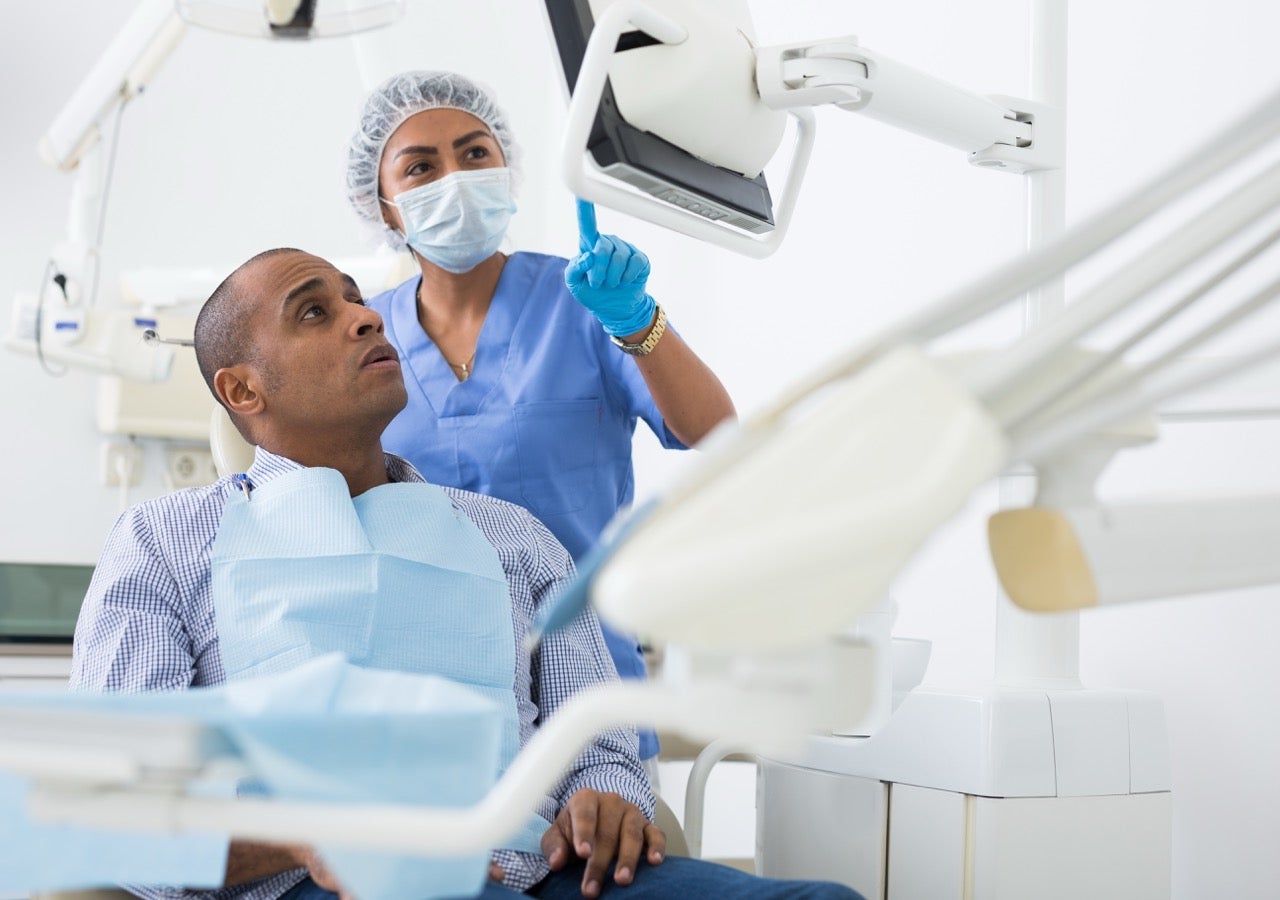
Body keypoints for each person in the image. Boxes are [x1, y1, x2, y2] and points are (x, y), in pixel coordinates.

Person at [69, 248, 861, 900]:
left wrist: (607, 796)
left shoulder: (510, 536)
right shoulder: (162, 542)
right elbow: (125, 807)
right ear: (242, 389)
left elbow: (599, 739)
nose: (366, 315)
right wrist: (310, 836)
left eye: (355, 298)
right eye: (315, 311)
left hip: (545, 874)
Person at [344, 70, 737, 779]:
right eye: (420, 167)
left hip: (589, 703)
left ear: (508, 172)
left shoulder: (586, 299)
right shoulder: (365, 337)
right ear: (385, 207)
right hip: (421, 705)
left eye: (474, 153)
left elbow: (713, 434)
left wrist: (637, 320)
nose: (455, 178)